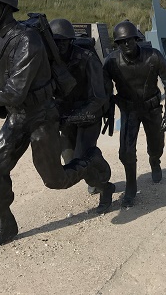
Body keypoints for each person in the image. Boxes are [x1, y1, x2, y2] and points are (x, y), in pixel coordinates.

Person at [0, 0, 112, 251]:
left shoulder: (27, 40)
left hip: (42, 117)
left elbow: (14, 91)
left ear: (7, 8)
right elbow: (2, 81)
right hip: (17, 115)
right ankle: (6, 224)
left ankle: (91, 164)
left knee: (55, 180)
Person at [103, 20, 166, 208]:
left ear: (136, 39)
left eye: (129, 40)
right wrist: (105, 109)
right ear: (117, 44)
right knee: (126, 152)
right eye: (121, 42)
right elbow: (104, 90)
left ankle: (155, 160)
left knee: (157, 143)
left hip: (152, 108)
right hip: (129, 110)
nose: (126, 44)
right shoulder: (111, 62)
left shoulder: (153, 56)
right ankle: (131, 186)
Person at [49, 18, 115, 207]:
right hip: (66, 117)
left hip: (88, 115)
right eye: (55, 43)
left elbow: (99, 98)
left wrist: (72, 117)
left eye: (62, 42)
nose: (58, 47)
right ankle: (93, 172)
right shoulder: (50, 61)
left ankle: (104, 185)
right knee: (69, 160)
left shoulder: (87, 59)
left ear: (70, 41)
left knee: (81, 160)